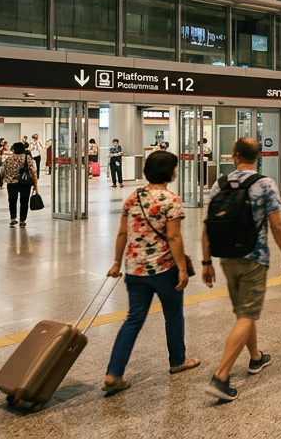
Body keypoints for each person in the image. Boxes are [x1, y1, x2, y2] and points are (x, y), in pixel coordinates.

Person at [102, 150, 199, 395]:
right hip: (164, 268)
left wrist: (116, 263)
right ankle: (178, 360)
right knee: (173, 315)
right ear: (170, 172)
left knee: (133, 319)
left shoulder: (133, 197)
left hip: (135, 270)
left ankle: (114, 373)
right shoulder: (171, 199)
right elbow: (174, 237)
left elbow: (122, 233)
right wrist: (182, 269)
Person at [201, 137, 281, 402]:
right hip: (254, 257)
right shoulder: (265, 184)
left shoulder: (219, 184)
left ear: (235, 155)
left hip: (226, 258)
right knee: (247, 314)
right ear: (257, 156)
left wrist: (206, 262)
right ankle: (221, 377)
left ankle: (256, 357)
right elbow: (277, 224)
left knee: (244, 312)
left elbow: (207, 226)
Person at [0, 140, 39, 228]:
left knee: (12, 201)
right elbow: (33, 171)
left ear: (14, 149)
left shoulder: (9, 159)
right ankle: (22, 220)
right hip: (25, 183)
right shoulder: (27, 158)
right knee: (24, 201)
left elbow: (2, 171)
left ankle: (13, 219)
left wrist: (4, 178)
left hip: (11, 183)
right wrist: (35, 184)